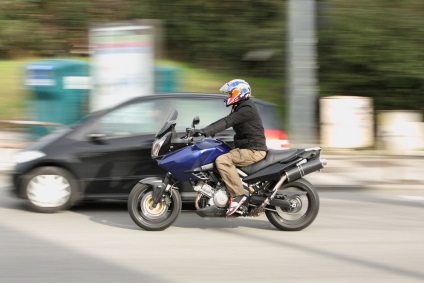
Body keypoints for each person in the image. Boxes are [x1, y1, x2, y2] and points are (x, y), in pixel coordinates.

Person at [194, 79, 267, 216]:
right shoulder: (241, 106)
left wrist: (205, 131)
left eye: (230, 93)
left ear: (239, 93)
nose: (228, 96)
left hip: (253, 150)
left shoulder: (247, 108)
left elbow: (228, 121)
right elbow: (225, 121)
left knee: (222, 161)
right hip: (247, 147)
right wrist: (207, 130)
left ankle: (238, 195)